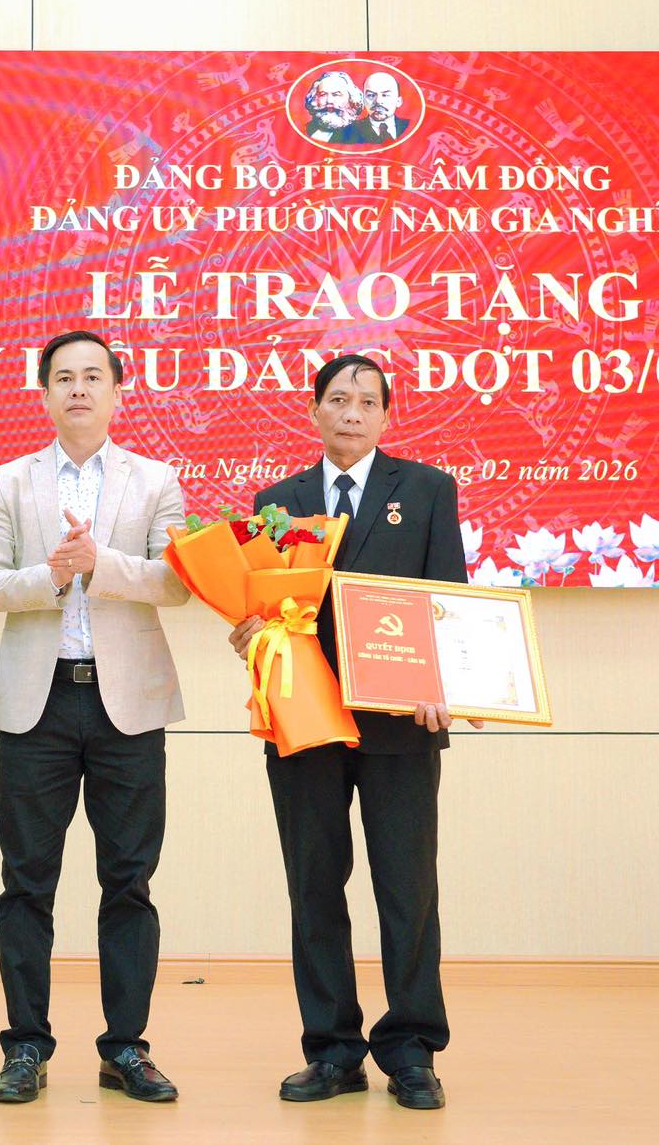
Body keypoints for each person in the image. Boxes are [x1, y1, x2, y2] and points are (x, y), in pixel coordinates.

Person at [226, 354, 480, 1110]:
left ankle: (412, 1051)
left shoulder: (427, 490)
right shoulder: (277, 502)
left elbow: (449, 598)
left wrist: (445, 684)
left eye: (368, 401)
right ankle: (333, 1050)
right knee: (314, 885)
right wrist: (250, 634)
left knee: (408, 889)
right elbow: (264, 608)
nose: (352, 412)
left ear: (386, 416)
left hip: (401, 722)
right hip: (304, 719)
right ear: (314, 410)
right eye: (338, 399)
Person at [0, 330, 191, 1106]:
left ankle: (125, 1047)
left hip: (129, 706)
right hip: (41, 704)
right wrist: (51, 575)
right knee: (26, 881)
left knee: (129, 881)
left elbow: (176, 583)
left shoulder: (156, 479)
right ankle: (25, 1046)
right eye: (63, 378)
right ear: (44, 394)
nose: (79, 390)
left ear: (118, 391)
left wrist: (103, 565)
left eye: (94, 376)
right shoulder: (8, 481)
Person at [300, 70, 372, 145]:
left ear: (351, 100)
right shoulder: (305, 130)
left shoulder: (361, 136)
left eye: (336, 95)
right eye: (323, 94)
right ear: (314, 98)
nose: (329, 101)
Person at [358, 71, 412, 144]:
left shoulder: (410, 127)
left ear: (398, 101)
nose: (378, 101)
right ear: (363, 100)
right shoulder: (348, 131)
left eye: (385, 95)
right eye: (371, 95)